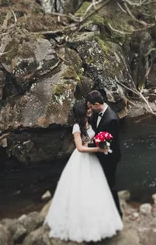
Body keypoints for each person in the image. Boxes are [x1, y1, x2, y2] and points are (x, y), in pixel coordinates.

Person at [44, 101, 123, 242]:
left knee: (96, 188)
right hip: (82, 159)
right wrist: (98, 149)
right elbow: (80, 148)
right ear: (82, 111)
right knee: (82, 189)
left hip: (93, 160)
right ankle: (81, 223)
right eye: (87, 109)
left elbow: (93, 139)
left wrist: (101, 143)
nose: (90, 110)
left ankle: (99, 219)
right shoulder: (76, 127)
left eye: (90, 107)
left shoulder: (90, 122)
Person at [86, 90, 123, 218]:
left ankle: (117, 214)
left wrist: (86, 146)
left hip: (110, 157)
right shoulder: (98, 113)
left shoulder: (111, 119)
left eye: (90, 106)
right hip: (101, 155)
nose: (90, 109)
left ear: (96, 104)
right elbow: (96, 130)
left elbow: (106, 145)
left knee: (110, 185)